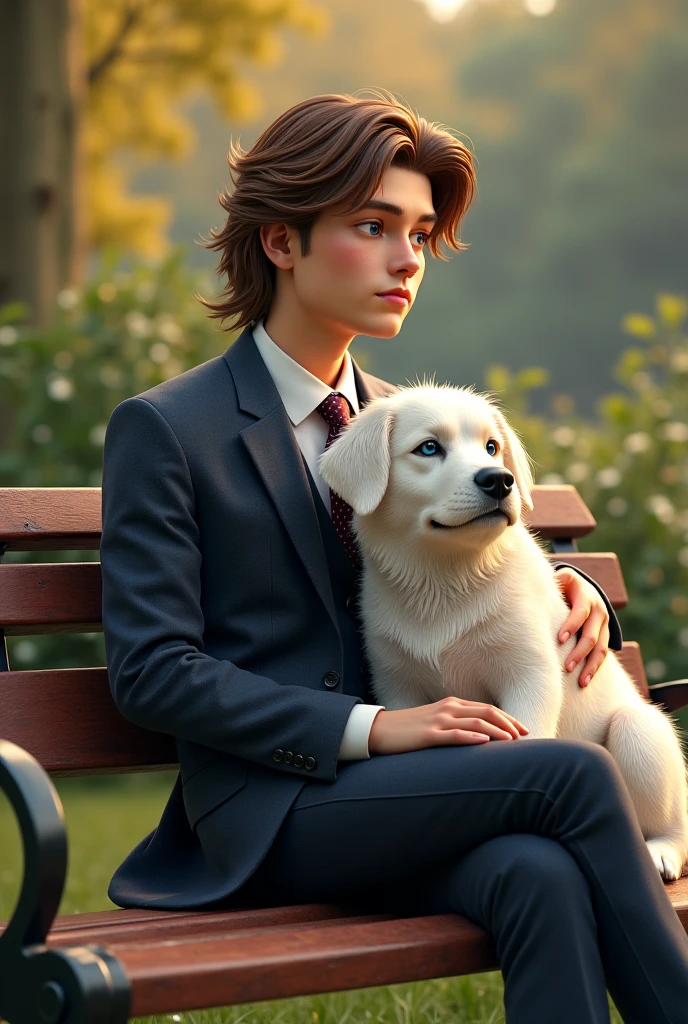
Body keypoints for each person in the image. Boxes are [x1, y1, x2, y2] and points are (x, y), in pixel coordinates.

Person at [100, 91, 688, 1023]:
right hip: (279, 808)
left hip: (420, 792)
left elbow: (463, 571)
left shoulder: (409, 422)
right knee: (570, 772)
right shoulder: (171, 430)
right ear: (280, 242)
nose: (407, 258)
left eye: (418, 232)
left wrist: (566, 588)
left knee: (536, 874)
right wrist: (373, 728)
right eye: (372, 227)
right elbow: (151, 673)